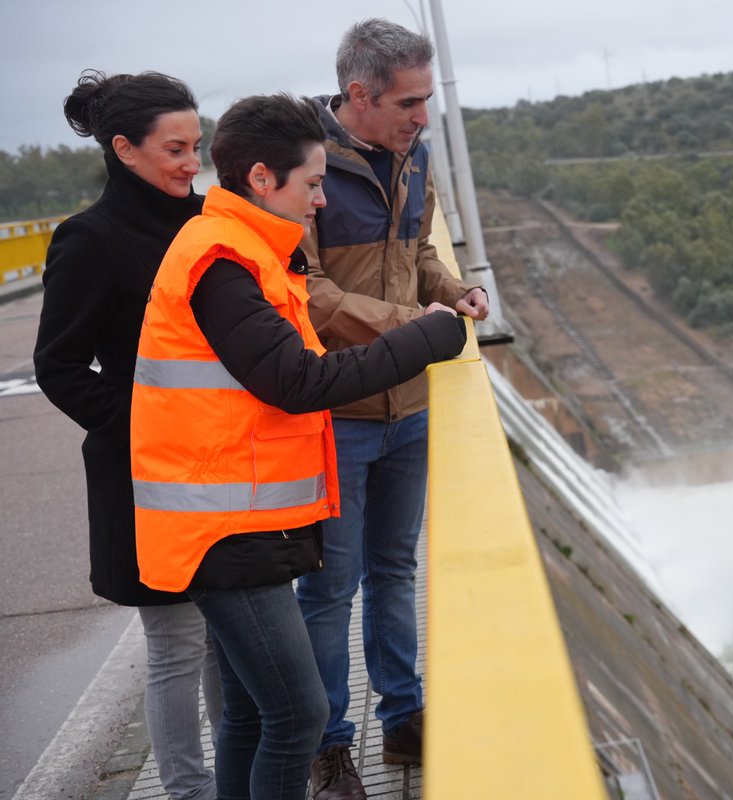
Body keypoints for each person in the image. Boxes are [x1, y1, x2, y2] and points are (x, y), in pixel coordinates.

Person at [130, 93, 467, 800]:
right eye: (312, 185)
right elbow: (298, 381)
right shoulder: (222, 262)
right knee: (299, 713)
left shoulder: (250, 252)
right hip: (222, 526)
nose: (319, 203)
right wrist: (422, 338)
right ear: (261, 179)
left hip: (239, 514)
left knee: (254, 713)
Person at [295, 18, 489, 799]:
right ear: (358, 94)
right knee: (329, 587)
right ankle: (327, 745)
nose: (421, 116)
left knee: (394, 569)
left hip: (408, 406)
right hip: (336, 413)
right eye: (409, 102)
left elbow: (419, 255)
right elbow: (308, 296)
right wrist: (416, 326)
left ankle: (404, 720)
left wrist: (454, 293)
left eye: (425, 101)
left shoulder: (416, 152)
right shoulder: (301, 169)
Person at [33, 70, 221, 800]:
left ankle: (235, 778)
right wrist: (151, 426)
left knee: (234, 642)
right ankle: (187, 789)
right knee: (177, 644)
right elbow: (59, 366)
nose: (189, 163)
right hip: (148, 475)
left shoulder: (210, 221)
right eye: (174, 149)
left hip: (232, 468)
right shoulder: (89, 239)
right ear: (125, 149)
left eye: (196, 146)